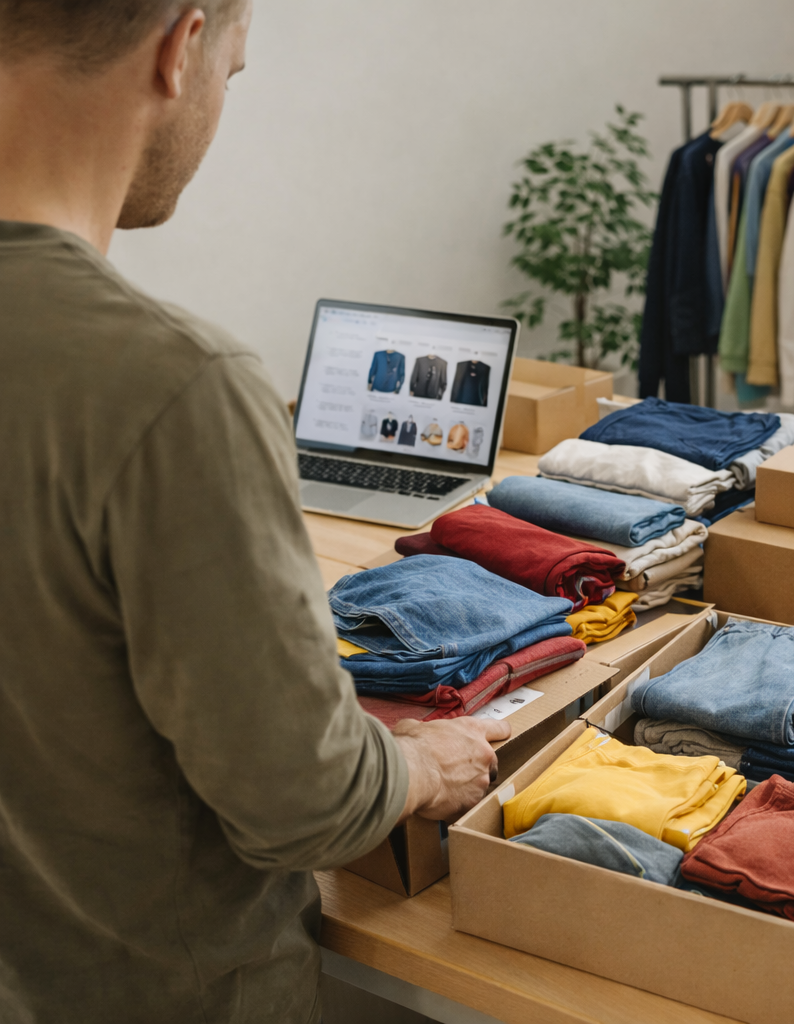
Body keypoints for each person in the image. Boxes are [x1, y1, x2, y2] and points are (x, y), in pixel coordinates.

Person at [0, 4, 509, 1023]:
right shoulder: (173, 384)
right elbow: (304, 804)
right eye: (233, 72)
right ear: (179, 49)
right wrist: (418, 764)